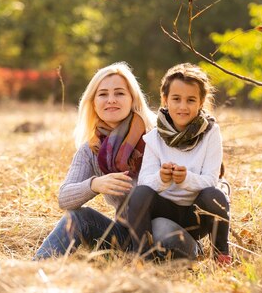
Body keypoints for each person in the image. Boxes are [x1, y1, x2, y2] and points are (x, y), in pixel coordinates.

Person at [34, 62, 197, 260]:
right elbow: (64, 198)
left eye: (119, 93)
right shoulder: (91, 150)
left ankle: (156, 270)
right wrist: (94, 184)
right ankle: (35, 270)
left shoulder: (159, 136)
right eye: (103, 94)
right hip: (128, 237)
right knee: (77, 218)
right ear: (93, 102)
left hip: (172, 232)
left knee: (160, 228)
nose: (111, 100)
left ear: (132, 99)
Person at [126, 63, 231, 264]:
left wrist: (186, 179)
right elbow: (145, 181)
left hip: (195, 214)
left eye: (191, 100)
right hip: (164, 209)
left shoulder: (210, 133)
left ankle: (221, 256)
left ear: (201, 102)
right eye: (176, 99)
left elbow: (210, 180)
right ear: (165, 100)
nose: (183, 106)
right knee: (139, 193)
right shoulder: (154, 138)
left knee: (215, 195)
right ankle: (142, 257)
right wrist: (161, 178)